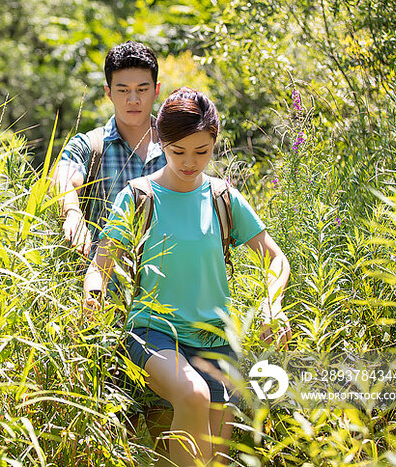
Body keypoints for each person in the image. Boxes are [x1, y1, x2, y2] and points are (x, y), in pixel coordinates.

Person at [84, 87, 292, 466]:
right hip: (154, 333)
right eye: (178, 151)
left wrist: (270, 304)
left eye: (202, 151)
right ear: (161, 141)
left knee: (213, 460)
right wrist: (94, 292)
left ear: (214, 142)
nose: (190, 162)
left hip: (216, 339)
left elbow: (276, 259)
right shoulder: (139, 195)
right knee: (193, 395)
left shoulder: (223, 197)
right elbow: (101, 263)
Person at [51, 41, 166, 257]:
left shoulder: (174, 148)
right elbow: (62, 179)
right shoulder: (90, 146)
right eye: (123, 90)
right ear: (109, 92)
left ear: (156, 90)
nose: (133, 100)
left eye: (142, 89)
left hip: (165, 287)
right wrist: (72, 213)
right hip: (99, 287)